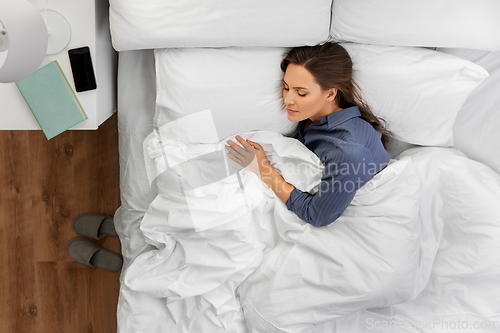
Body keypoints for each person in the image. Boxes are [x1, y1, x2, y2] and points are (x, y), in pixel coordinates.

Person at [225, 42, 392, 227]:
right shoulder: (311, 116)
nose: (288, 100)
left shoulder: (348, 150)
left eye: (301, 93)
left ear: (330, 94)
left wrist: (263, 168)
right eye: (286, 87)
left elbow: (318, 216)